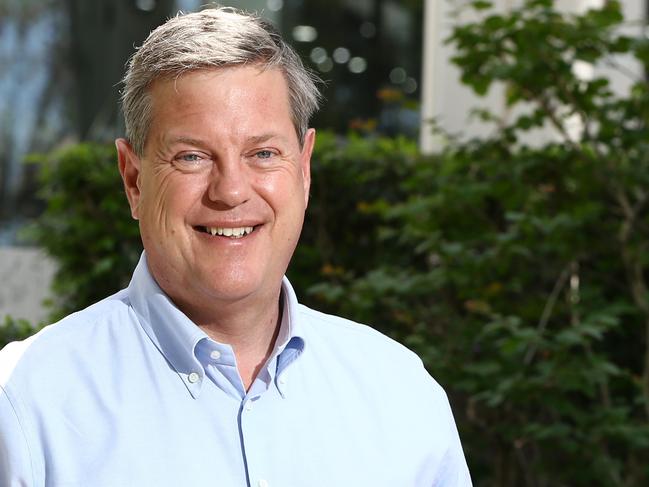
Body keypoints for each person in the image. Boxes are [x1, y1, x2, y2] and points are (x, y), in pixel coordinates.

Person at [0, 7, 472, 486]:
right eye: (192, 156)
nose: (230, 191)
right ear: (134, 180)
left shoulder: (400, 392)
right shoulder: (25, 403)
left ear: (304, 169)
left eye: (263, 153)